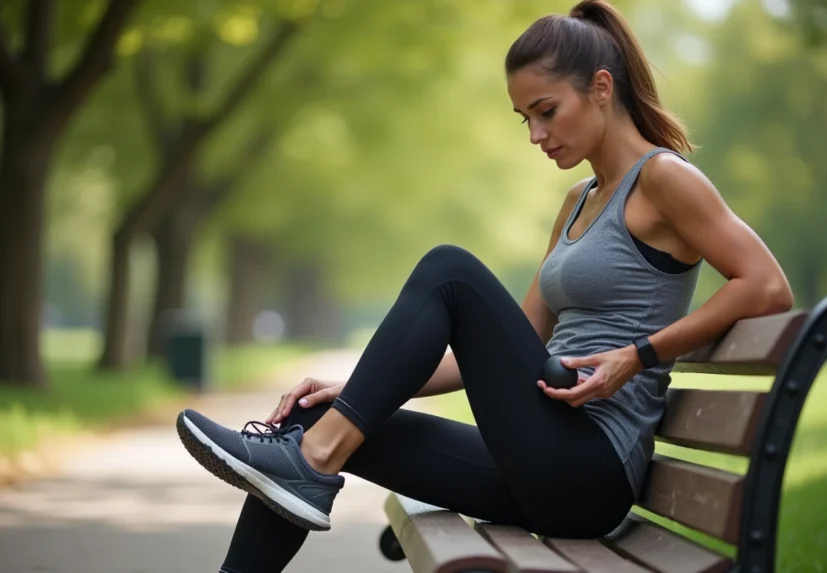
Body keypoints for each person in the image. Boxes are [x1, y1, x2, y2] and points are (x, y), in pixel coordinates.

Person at [176, 1, 794, 571]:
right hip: (541, 456)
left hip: (591, 467)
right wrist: (354, 392)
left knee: (449, 271)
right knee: (313, 423)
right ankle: (307, 461)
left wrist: (638, 356)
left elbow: (767, 285)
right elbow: (511, 344)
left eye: (546, 111)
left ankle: (310, 460)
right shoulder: (578, 201)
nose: (534, 134)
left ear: (601, 88)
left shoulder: (662, 179)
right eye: (524, 118)